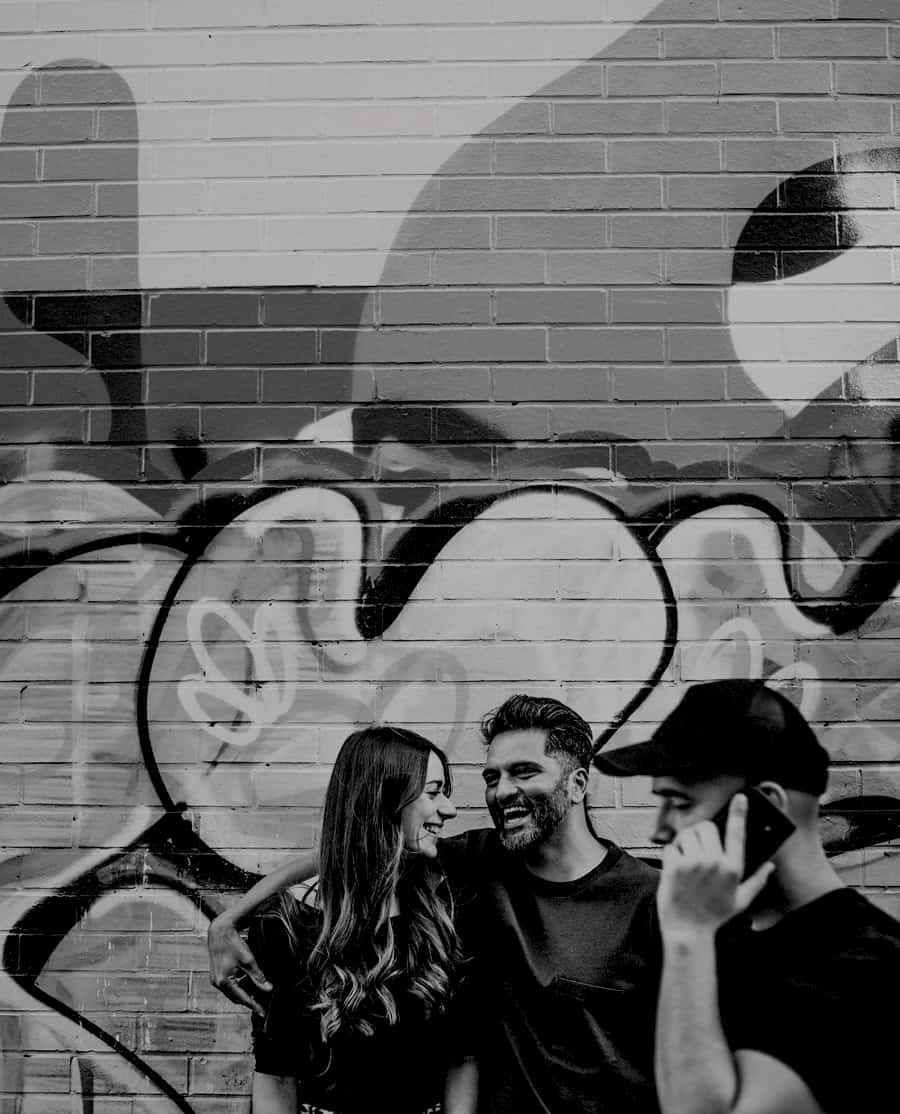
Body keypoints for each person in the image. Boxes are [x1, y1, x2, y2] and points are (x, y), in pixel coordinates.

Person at [209, 695, 662, 1113]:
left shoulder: (650, 898)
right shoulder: (478, 863)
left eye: (524, 772)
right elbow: (361, 846)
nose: (501, 791)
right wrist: (233, 917)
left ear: (578, 783)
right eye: (492, 777)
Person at [594, 678, 900, 1114]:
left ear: (764, 807)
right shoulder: (725, 938)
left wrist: (688, 940)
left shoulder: (867, 967)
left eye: (679, 803)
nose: (658, 831)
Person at [243, 724, 473, 1114]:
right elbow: (276, 1074)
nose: (448, 809)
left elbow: (462, 1057)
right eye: (433, 792)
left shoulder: (446, 910)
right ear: (384, 800)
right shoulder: (287, 926)